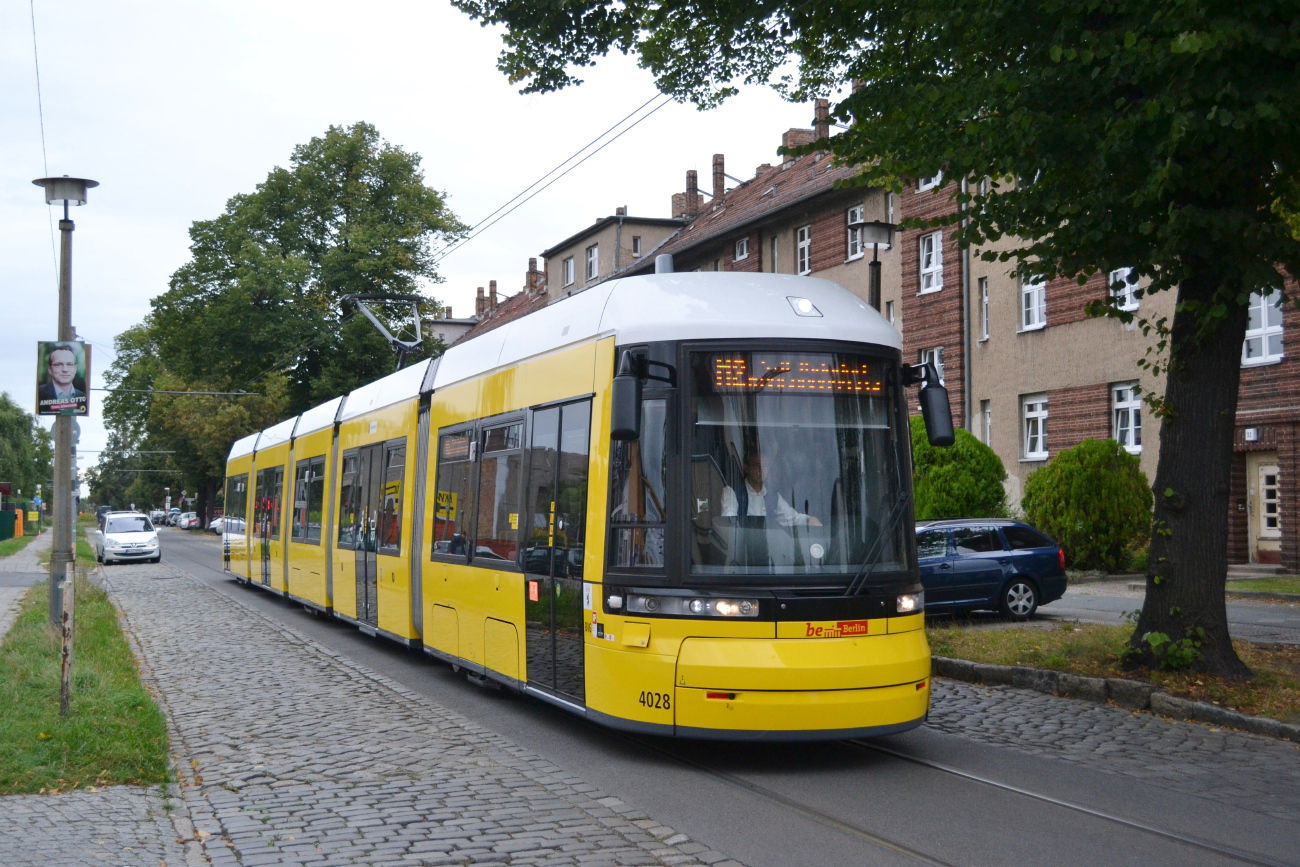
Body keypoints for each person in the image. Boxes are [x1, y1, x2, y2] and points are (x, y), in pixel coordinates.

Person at [721, 443, 822, 527]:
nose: (761, 470)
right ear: (746, 468)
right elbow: (729, 519)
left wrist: (809, 520)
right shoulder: (731, 492)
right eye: (756, 466)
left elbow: (792, 517)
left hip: (769, 547)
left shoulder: (773, 496)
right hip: (740, 547)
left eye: (765, 465)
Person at [37, 344, 85, 409]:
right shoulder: (39, 393)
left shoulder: (84, 398)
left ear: (75, 368)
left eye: (70, 364)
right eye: (58, 365)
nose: (65, 370)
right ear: (49, 369)